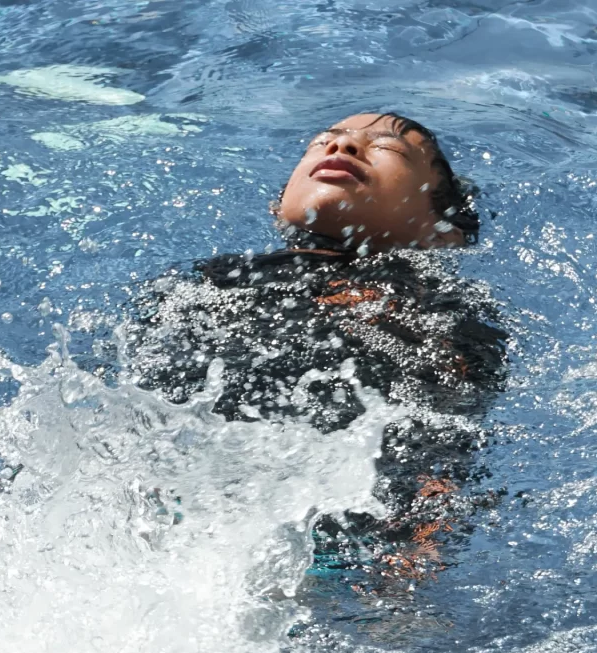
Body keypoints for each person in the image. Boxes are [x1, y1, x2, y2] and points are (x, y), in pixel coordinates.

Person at [126, 112, 507, 584]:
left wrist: (420, 542)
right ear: (279, 205)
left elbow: (448, 427)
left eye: (387, 148)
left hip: (338, 547)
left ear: (443, 230)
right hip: (174, 509)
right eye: (323, 141)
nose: (341, 149)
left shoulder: (437, 306)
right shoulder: (211, 280)